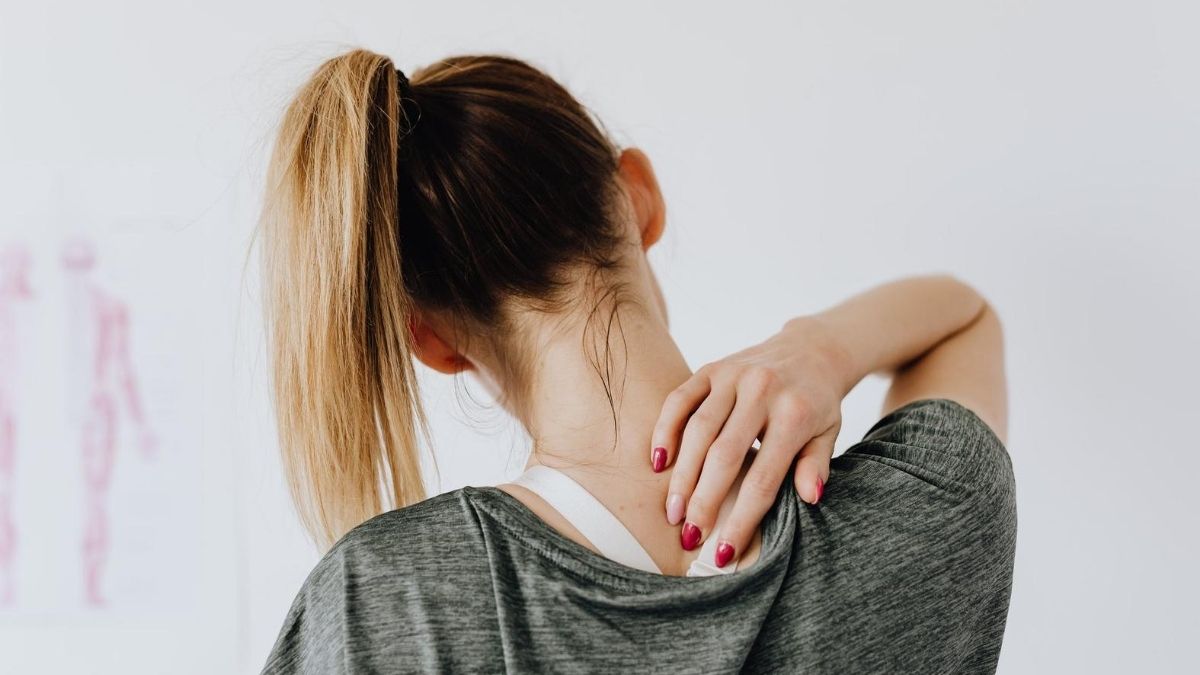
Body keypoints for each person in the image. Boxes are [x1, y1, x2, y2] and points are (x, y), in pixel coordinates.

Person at [257, 48, 1016, 674]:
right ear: (640, 197)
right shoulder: (925, 513)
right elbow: (964, 317)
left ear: (433, 340)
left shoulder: (391, 601)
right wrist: (823, 348)